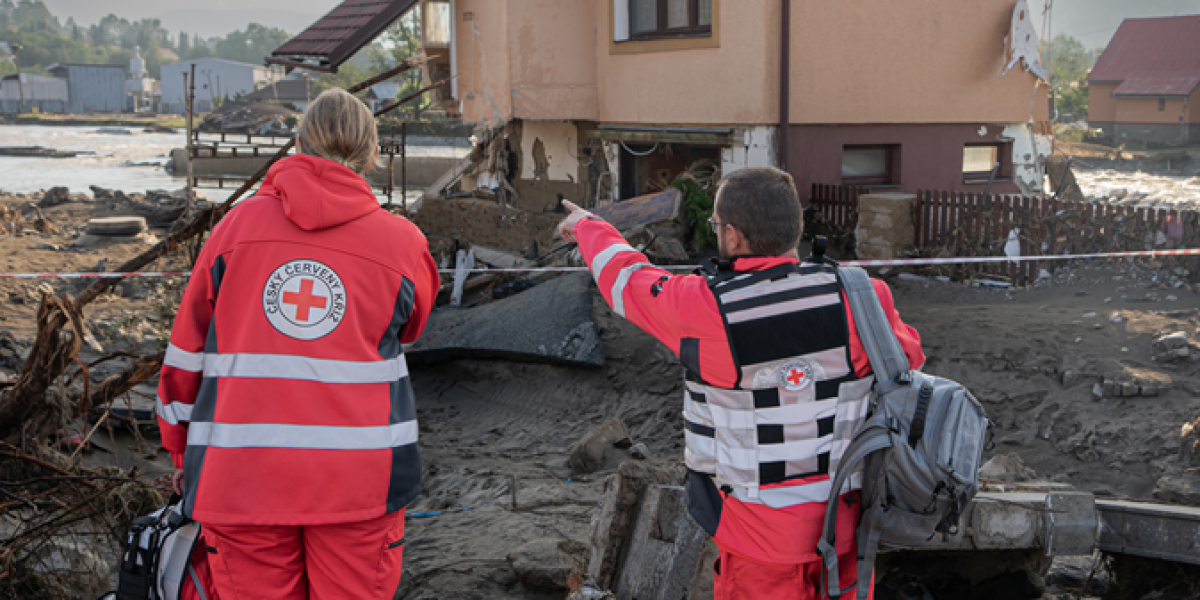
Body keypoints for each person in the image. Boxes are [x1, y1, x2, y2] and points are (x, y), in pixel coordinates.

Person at [556, 167, 925, 600]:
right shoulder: (864, 296)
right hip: (846, 532)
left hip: (756, 542)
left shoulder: (702, 306)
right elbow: (910, 360)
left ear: (732, 236)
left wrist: (587, 226)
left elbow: (625, 280)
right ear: (794, 229)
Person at [157, 88, 440, 600]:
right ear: (373, 154)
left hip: (239, 474)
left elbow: (185, 353)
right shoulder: (403, 242)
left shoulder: (235, 229)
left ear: (297, 144)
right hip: (361, 478)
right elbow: (412, 325)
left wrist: (180, 452)